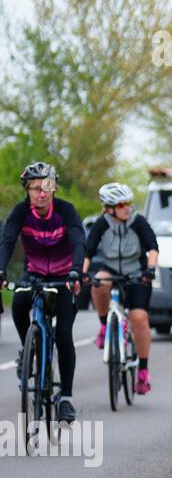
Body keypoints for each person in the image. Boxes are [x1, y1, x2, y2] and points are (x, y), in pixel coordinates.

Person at [0, 162, 85, 422]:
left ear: (54, 187)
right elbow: (6, 240)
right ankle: (29, 349)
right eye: (35, 188)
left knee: (63, 335)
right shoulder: (21, 212)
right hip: (34, 274)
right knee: (18, 304)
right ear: (27, 190)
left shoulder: (65, 210)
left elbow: (78, 240)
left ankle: (66, 399)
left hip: (63, 277)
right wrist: (1, 271)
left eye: (46, 187)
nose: (41, 193)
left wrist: (76, 271)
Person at [83, 182, 160, 394]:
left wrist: (151, 269)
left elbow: (153, 247)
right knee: (99, 281)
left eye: (129, 203)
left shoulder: (138, 221)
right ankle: (104, 326)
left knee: (138, 319)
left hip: (136, 272)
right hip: (111, 269)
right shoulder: (102, 223)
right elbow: (87, 251)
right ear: (109, 208)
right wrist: (81, 273)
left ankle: (143, 371)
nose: (128, 208)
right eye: (122, 204)